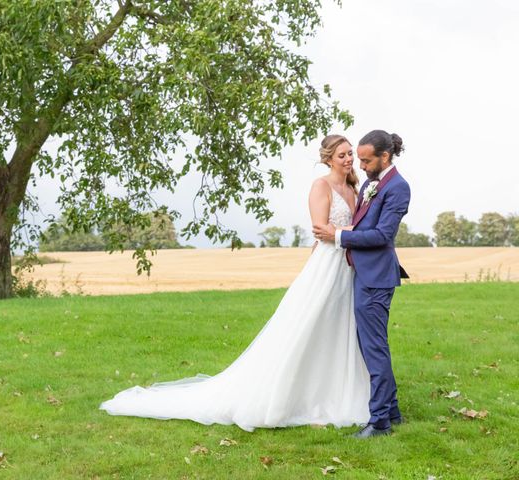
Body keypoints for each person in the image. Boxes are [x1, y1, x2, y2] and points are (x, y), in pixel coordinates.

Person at [99, 135, 370, 432]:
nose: (348, 160)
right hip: (326, 266)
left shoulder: (354, 188)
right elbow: (321, 230)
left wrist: (355, 233)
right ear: (329, 158)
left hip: (347, 269)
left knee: (340, 329)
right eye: (342, 155)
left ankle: (335, 392)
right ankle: (292, 396)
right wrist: (360, 230)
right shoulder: (321, 186)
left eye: (349, 155)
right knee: (312, 326)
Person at [313, 130, 410, 438]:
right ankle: (391, 411)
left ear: (385, 157)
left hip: (377, 277)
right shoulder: (369, 183)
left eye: (366, 160)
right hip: (360, 273)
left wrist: (337, 236)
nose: (361, 165)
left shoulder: (398, 187)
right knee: (371, 345)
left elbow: (382, 235)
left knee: (374, 347)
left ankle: (379, 421)